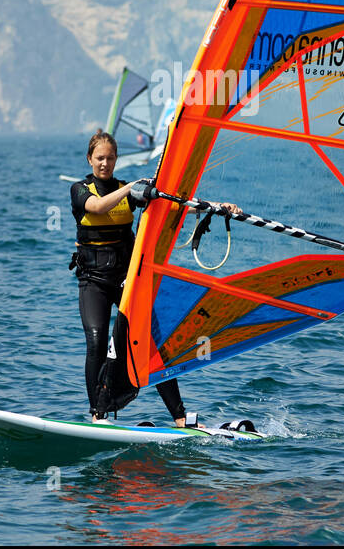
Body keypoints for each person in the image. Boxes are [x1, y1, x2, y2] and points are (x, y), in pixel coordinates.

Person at [69, 131, 241, 425]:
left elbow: (175, 200)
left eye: (110, 158)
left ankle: (179, 416)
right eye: (100, 158)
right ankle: (98, 414)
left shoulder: (125, 189)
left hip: (127, 280)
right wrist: (133, 189)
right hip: (93, 281)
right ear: (90, 159)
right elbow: (97, 207)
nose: (105, 163)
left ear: (116, 159)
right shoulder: (80, 189)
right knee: (97, 342)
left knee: (150, 340)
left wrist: (216, 206)